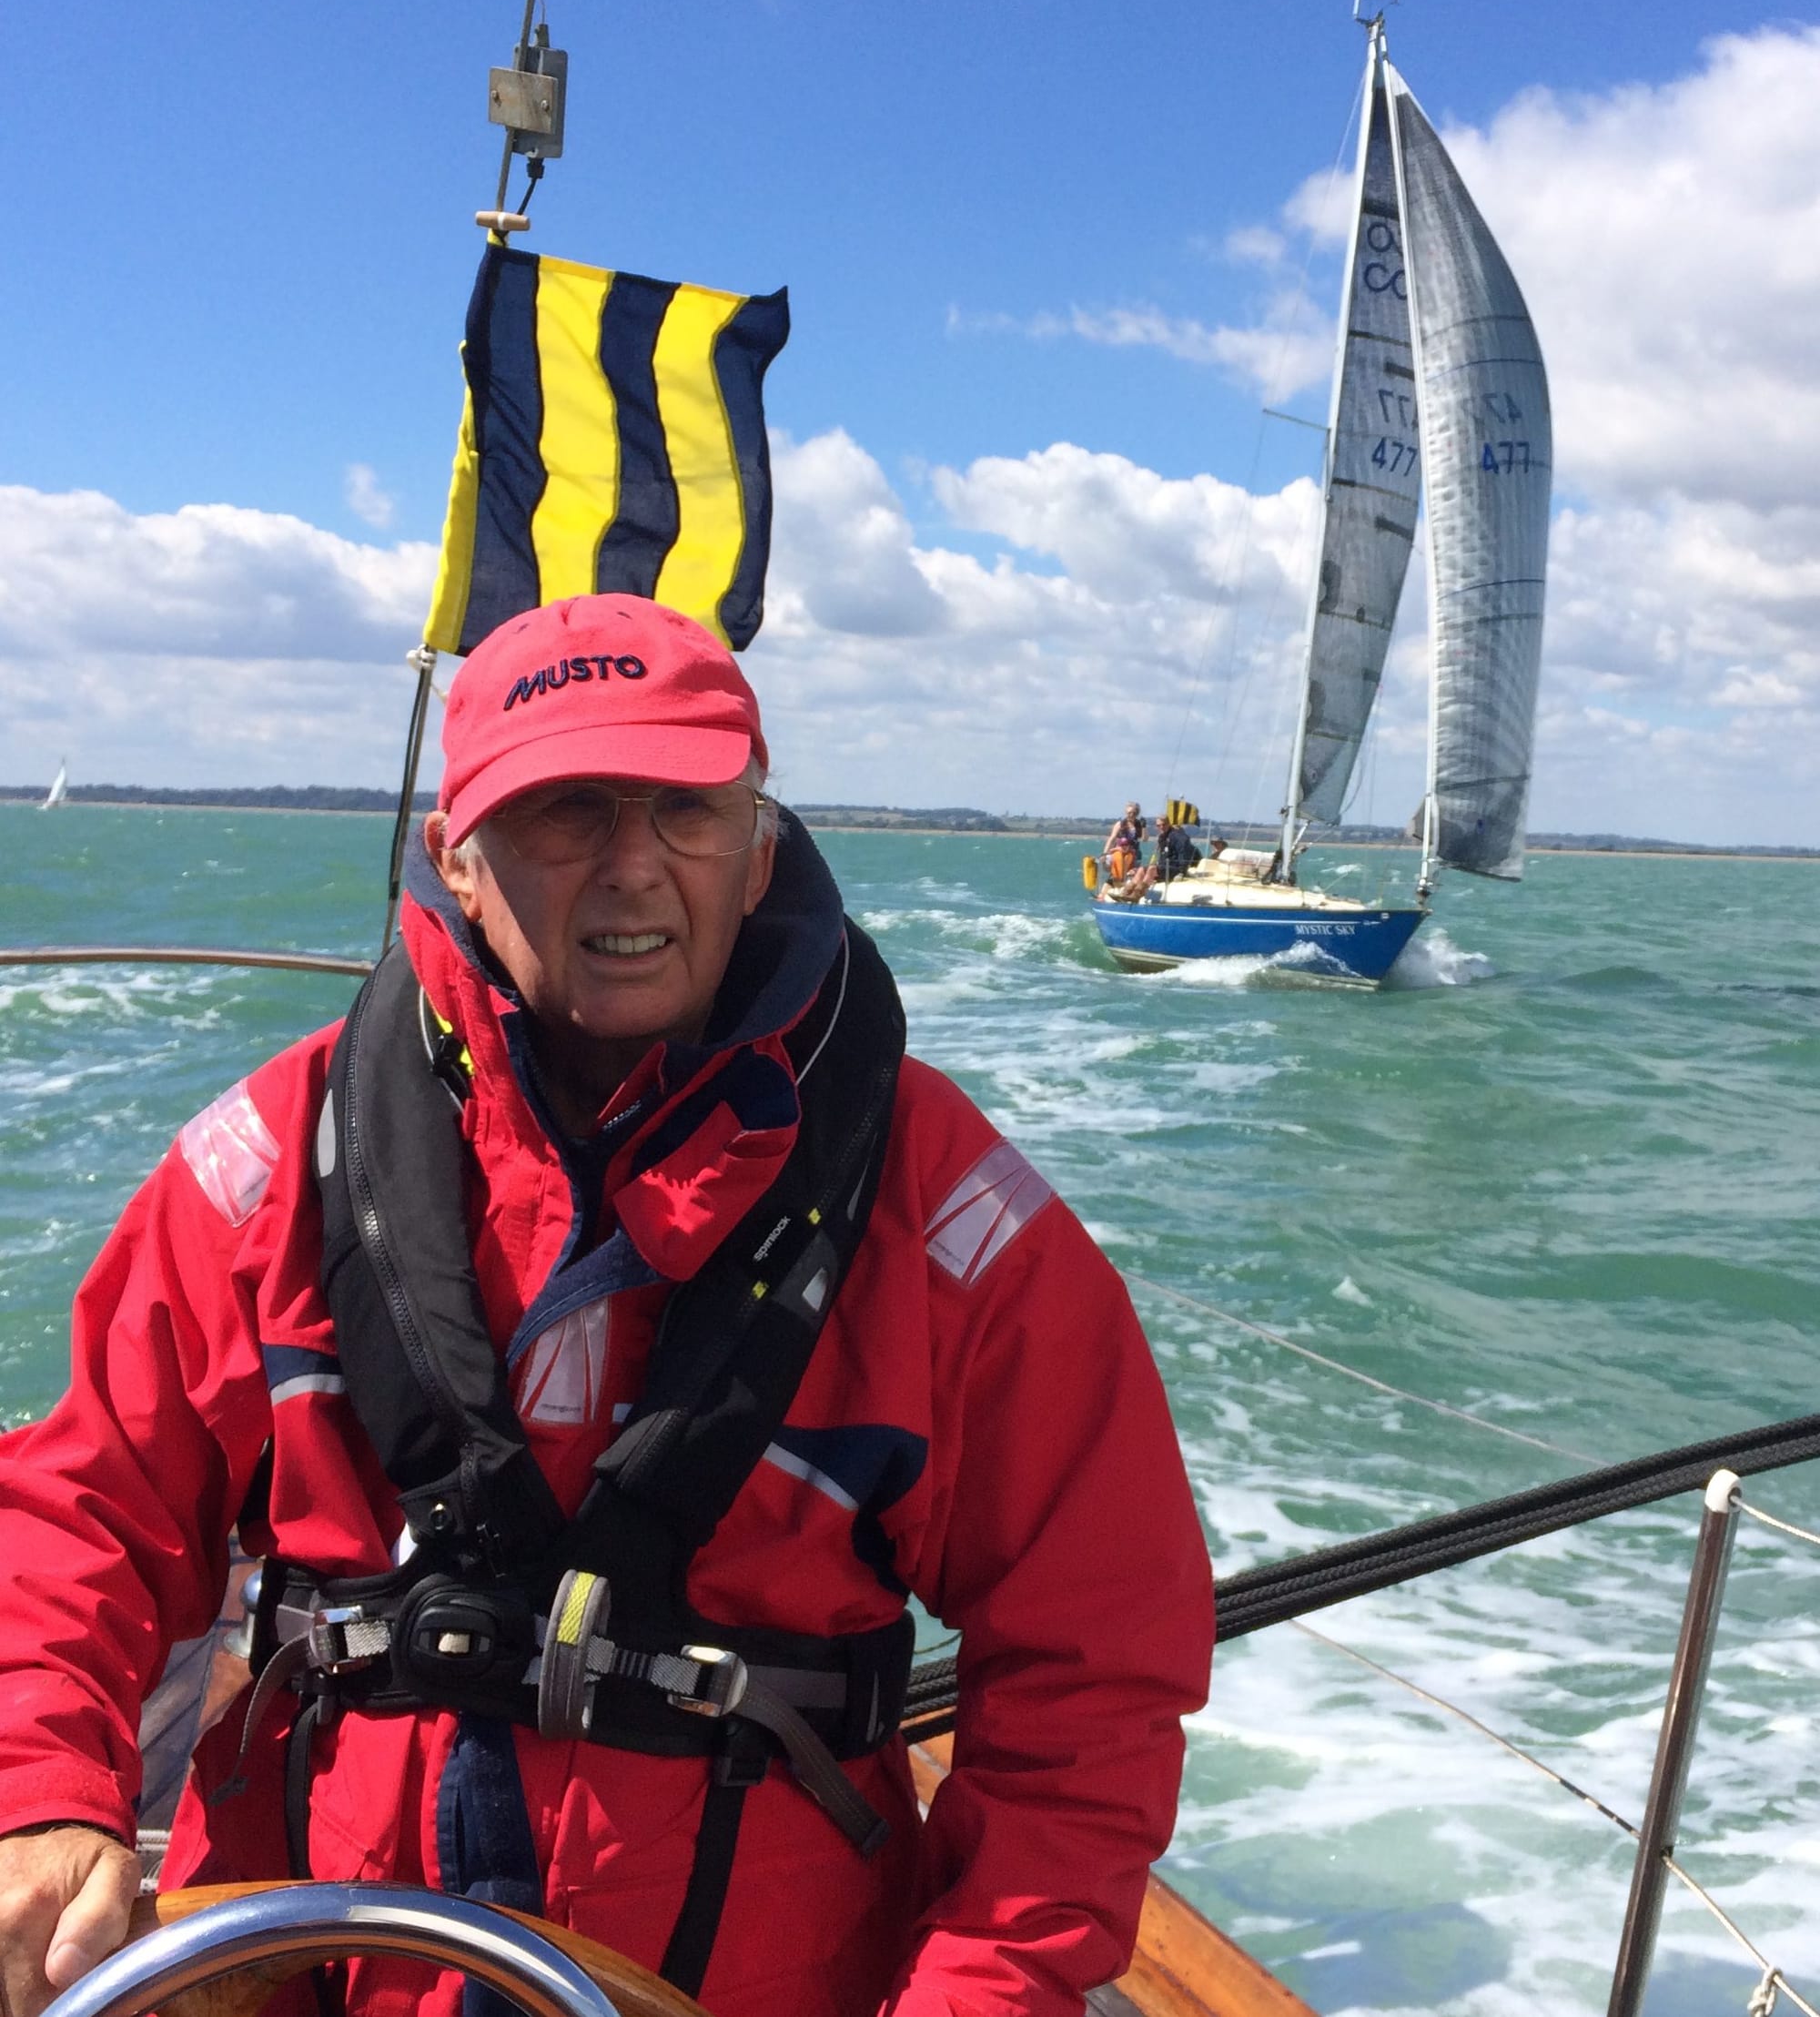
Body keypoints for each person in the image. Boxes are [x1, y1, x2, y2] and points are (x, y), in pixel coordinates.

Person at [0, 594, 1214, 2017]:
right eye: (567, 808)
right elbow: (83, 1510)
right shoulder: (275, 1162)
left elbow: (1095, 1661)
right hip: (295, 1966)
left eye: (687, 809)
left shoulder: (943, 1216)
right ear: (458, 853)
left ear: (759, 847)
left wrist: (978, 1995)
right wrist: (39, 1788)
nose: (636, 865)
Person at [1100, 804, 1145, 885]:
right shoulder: (1120, 824)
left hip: (1134, 853)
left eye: (1134, 813)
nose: (1131, 815)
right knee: (1113, 862)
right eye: (1129, 813)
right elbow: (1112, 838)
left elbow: (1145, 839)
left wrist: (1144, 827)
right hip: (1120, 851)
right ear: (1126, 813)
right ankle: (1114, 880)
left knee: (1132, 871)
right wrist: (1104, 854)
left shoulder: (1139, 825)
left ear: (1137, 814)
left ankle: (1128, 884)